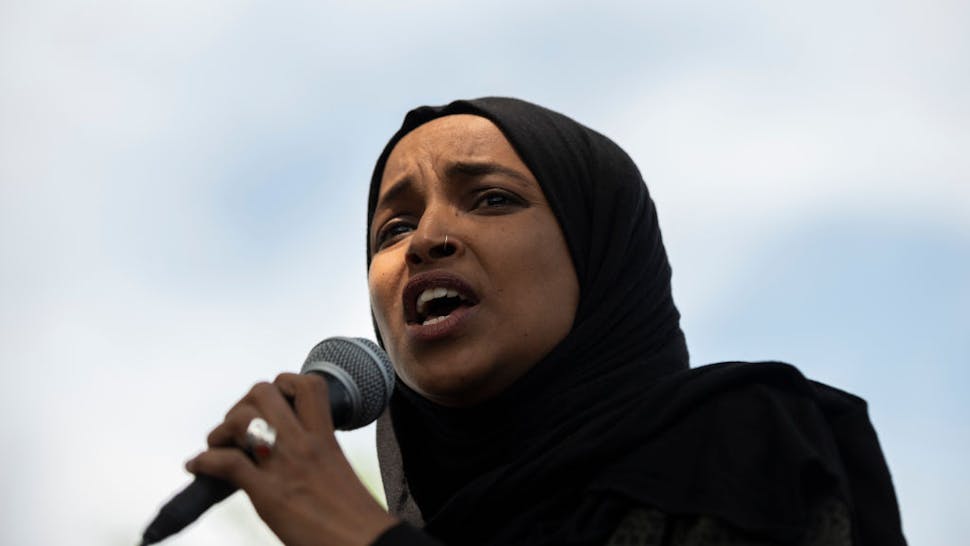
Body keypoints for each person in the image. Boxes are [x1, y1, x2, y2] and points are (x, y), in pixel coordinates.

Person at [187, 98, 907, 545]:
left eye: (493, 200)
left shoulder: (745, 442)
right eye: (392, 229)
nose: (429, 238)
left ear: (599, 259)